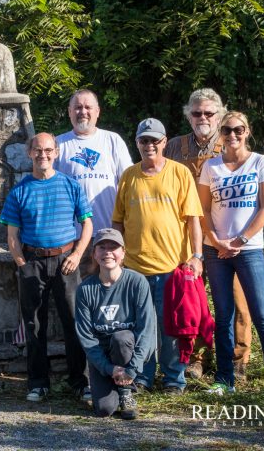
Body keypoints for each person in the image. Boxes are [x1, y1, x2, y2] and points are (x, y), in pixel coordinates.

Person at [198, 111, 264, 404]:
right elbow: (202, 210)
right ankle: (224, 380)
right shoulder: (210, 166)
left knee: (263, 318)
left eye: (238, 130)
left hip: (249, 249)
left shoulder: (260, 162)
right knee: (224, 317)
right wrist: (216, 240)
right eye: (226, 130)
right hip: (216, 251)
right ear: (220, 134)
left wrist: (239, 240)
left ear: (247, 131)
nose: (232, 135)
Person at [0, 132, 93, 402]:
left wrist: (77, 254)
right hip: (33, 263)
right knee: (35, 325)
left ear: (57, 152)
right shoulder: (19, 191)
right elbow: (12, 236)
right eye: (38, 150)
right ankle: (38, 383)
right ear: (30, 153)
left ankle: (80, 382)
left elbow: (87, 224)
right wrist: (22, 265)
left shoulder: (71, 185)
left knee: (74, 322)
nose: (43, 155)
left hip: (66, 261)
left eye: (48, 150)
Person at [112, 118, 203, 395]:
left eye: (154, 140)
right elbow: (118, 221)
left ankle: (174, 379)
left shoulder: (180, 173)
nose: (149, 145)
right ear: (137, 143)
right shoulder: (129, 175)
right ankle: (142, 378)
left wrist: (197, 256)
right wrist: (117, 255)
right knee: (142, 327)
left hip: (173, 266)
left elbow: (193, 220)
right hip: (136, 268)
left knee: (172, 326)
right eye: (143, 140)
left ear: (164, 142)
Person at [166, 88, 251, 381]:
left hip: (227, 235)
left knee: (237, 299)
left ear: (220, 114)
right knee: (193, 301)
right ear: (188, 115)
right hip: (188, 236)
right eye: (197, 113)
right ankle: (198, 357)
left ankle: (238, 359)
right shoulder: (173, 147)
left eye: (209, 113)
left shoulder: (231, 144)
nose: (202, 118)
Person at [75, 228, 155, 420]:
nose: (108, 252)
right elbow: (86, 337)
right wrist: (108, 368)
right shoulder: (85, 289)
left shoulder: (137, 282)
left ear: (123, 253)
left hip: (128, 351)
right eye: (102, 247)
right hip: (102, 356)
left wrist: (132, 369)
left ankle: (127, 393)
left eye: (114, 247)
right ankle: (114, 388)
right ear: (94, 254)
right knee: (104, 410)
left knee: (121, 337)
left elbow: (147, 329)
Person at [55, 89, 133, 275]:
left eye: (88, 107)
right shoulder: (58, 144)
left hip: (109, 234)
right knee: (78, 295)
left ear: (98, 111)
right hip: (74, 238)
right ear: (69, 111)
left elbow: (129, 184)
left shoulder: (112, 140)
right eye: (78, 107)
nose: (83, 112)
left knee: (111, 291)